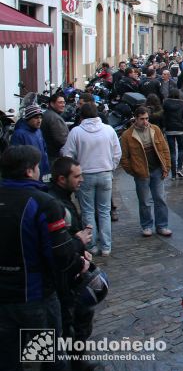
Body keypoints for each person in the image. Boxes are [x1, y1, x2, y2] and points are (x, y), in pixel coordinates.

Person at [0, 146, 88, 371]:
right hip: (35, 296)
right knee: (50, 361)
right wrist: (79, 257)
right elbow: (60, 255)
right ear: (30, 171)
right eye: (38, 167)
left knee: (8, 360)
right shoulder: (43, 203)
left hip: (5, 297)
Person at [48, 157, 99, 371]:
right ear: (61, 179)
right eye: (77, 176)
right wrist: (79, 243)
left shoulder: (62, 198)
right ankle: (73, 361)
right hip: (64, 274)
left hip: (70, 267)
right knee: (72, 316)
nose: (81, 180)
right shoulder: (55, 204)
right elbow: (59, 246)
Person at [62, 103, 121, 256]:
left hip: (85, 174)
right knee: (104, 211)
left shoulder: (76, 132)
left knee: (88, 211)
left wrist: (75, 171)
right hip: (105, 173)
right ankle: (107, 246)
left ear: (81, 116)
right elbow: (117, 152)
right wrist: (111, 167)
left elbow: (67, 155)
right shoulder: (108, 130)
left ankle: (92, 245)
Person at [120, 106, 173, 237]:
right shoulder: (127, 135)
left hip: (156, 169)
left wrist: (166, 166)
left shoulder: (155, 129)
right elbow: (124, 158)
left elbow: (165, 148)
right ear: (135, 119)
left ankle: (162, 225)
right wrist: (133, 171)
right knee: (144, 201)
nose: (145, 122)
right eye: (142, 119)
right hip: (141, 173)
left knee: (160, 199)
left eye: (147, 118)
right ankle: (147, 226)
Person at [10, 103, 51, 180]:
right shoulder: (19, 134)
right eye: (36, 118)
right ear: (28, 118)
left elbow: (44, 151)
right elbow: (15, 158)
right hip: (28, 176)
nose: (39, 120)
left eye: (40, 117)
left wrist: (46, 171)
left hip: (42, 173)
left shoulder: (38, 131)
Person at [163, 88, 183, 179]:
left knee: (172, 151)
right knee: (181, 149)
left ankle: (173, 174)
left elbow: (163, 116)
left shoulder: (165, 103)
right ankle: (179, 168)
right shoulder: (182, 104)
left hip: (169, 129)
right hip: (180, 129)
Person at [41, 93, 70, 163]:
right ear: (52, 104)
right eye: (60, 102)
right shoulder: (54, 118)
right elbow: (62, 140)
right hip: (54, 156)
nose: (63, 105)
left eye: (64, 102)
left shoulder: (48, 114)